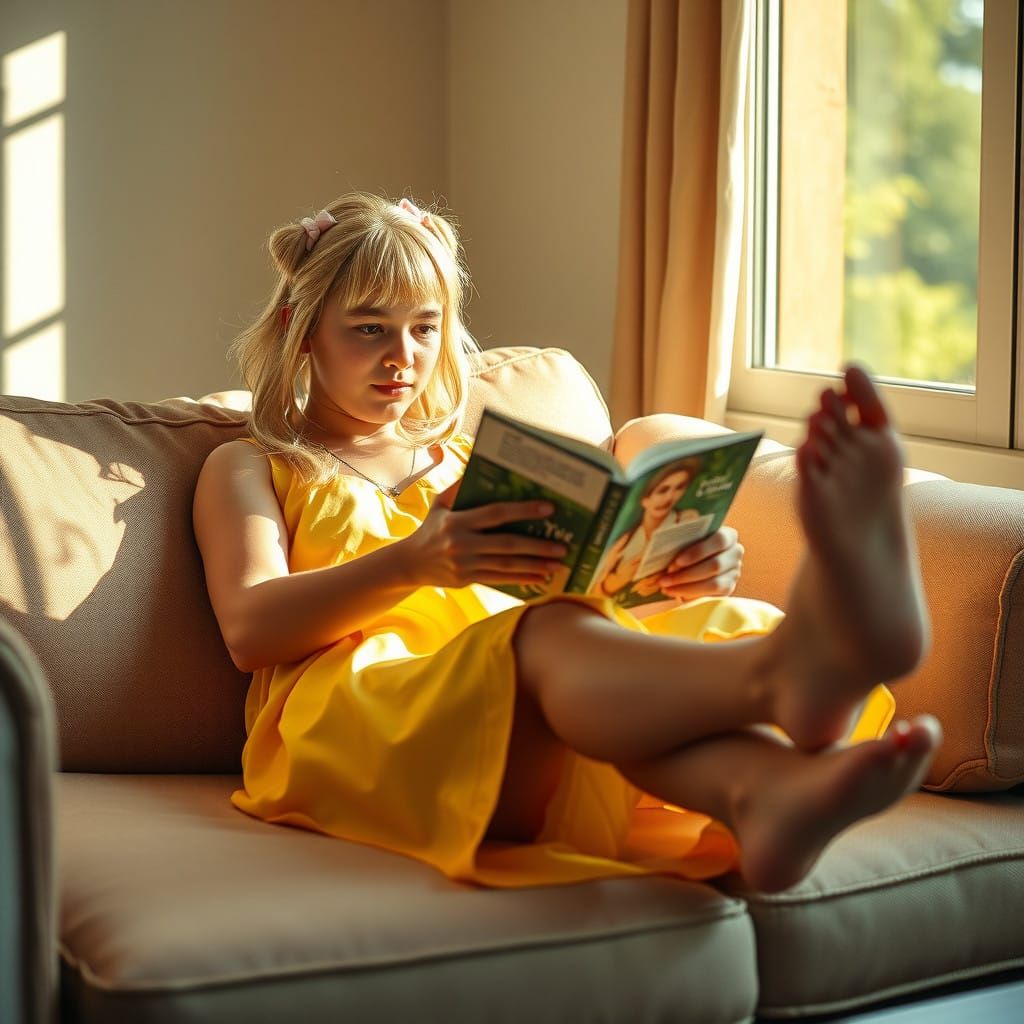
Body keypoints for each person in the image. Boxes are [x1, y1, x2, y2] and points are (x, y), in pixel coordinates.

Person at [192, 191, 941, 895]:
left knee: (681, 624)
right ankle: (786, 675)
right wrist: (416, 560)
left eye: (424, 327)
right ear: (301, 326)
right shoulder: (256, 465)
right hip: (353, 720)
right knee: (544, 637)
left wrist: (664, 573)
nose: (403, 358)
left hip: (524, 698)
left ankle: (761, 794)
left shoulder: (469, 463)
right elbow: (251, 629)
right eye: (369, 328)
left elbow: (558, 592)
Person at [591, 459, 703, 602]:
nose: (670, 498)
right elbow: (593, 593)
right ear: (645, 500)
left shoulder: (686, 521)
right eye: (663, 490)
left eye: (679, 487)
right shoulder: (623, 543)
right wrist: (618, 580)